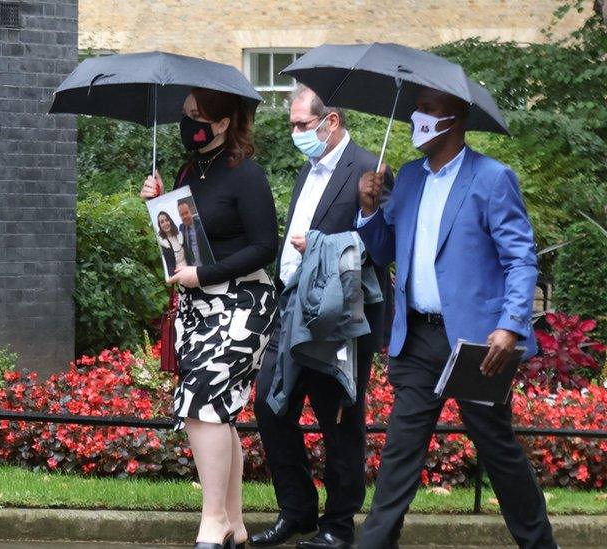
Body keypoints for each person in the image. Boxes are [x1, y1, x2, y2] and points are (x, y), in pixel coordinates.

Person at [355, 86, 557, 548]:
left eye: (427, 110)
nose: (416, 119)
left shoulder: (491, 178)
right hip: (417, 338)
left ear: (455, 119)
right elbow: (386, 251)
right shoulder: (405, 178)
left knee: (498, 451)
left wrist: (510, 325)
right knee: (399, 454)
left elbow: (521, 260)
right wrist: (369, 210)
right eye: (416, 110)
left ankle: (541, 543)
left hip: (476, 344)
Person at [250, 85, 392, 549]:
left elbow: (384, 250)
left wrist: (327, 248)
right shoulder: (306, 171)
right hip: (291, 308)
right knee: (271, 405)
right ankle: (297, 511)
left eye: (301, 125)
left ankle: (338, 524)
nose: (295, 133)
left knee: (339, 421)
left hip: (341, 319)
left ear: (330, 122)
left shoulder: (370, 169)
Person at [140, 88, 279, 549]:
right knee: (217, 411)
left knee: (203, 402)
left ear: (222, 123)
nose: (188, 124)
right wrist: (157, 204)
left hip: (245, 302)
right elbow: (182, 245)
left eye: (197, 116)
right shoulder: (187, 171)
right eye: (185, 115)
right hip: (200, 304)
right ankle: (234, 524)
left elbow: (265, 247)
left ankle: (213, 520)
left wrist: (205, 274)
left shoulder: (247, 175)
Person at [178, 199, 215, 266]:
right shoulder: (181, 228)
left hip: (207, 266)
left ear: (191, 211)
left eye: (186, 213)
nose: (185, 216)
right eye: (182, 214)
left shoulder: (201, 225)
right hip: (192, 269)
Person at [158, 210, 189, 274]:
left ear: (170, 221)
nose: (165, 223)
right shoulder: (161, 243)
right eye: (162, 222)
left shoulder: (180, 235)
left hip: (190, 269)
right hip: (176, 274)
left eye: (167, 220)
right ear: (160, 225)